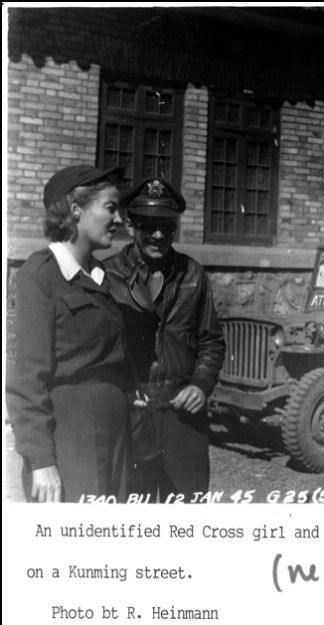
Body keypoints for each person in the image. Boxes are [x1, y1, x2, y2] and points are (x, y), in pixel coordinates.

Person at [7, 165, 130, 502]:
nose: (119, 219)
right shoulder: (38, 275)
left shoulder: (101, 275)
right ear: (75, 210)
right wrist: (41, 460)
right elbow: (24, 378)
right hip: (70, 436)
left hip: (113, 431)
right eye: (110, 207)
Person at [104, 178, 226, 502]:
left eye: (167, 226)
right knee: (134, 523)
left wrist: (200, 384)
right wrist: (122, 393)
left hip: (183, 421)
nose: (159, 235)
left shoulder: (193, 274)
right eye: (149, 226)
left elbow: (211, 341)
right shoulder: (106, 277)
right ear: (130, 226)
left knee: (188, 519)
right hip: (132, 419)